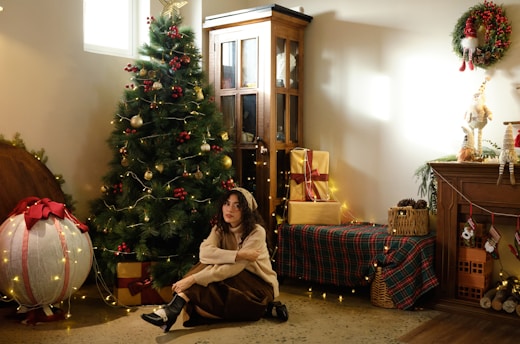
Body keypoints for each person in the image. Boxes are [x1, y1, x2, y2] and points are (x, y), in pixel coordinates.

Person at [141, 187, 285, 333]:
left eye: (237, 206)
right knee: (205, 275)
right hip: (231, 280)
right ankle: (173, 309)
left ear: (246, 211)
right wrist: (238, 255)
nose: (230, 209)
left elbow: (234, 268)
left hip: (257, 286)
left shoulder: (256, 232)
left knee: (209, 274)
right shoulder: (220, 229)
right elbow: (204, 254)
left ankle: (172, 309)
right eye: (227, 203)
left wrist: (193, 279)